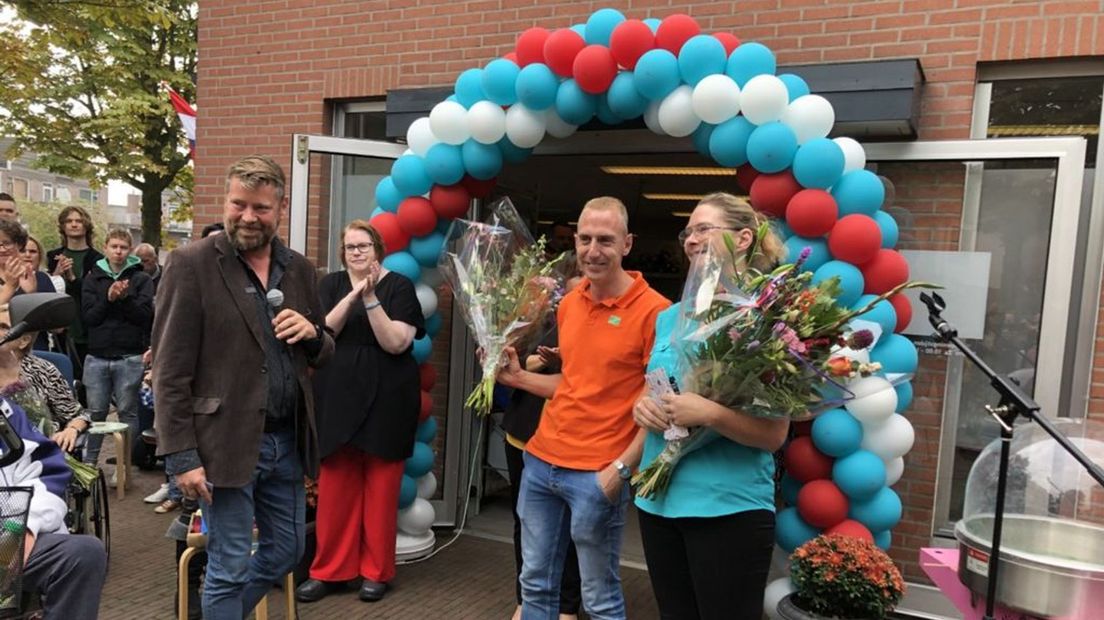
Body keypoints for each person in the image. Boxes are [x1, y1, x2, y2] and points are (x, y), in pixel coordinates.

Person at [152, 154, 333, 620]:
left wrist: (313, 334)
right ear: (226, 201)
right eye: (239, 205)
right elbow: (170, 370)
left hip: (286, 443)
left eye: (261, 208)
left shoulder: (299, 270)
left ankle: (214, 613)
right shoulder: (191, 264)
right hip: (223, 446)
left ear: (281, 207)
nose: (248, 217)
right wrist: (182, 457)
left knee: (287, 551)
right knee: (229, 565)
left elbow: (323, 350)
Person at [496, 197, 669, 620]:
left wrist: (621, 471)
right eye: (586, 239)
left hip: (597, 473)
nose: (594, 250)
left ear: (627, 244)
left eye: (606, 240)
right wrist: (517, 377)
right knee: (534, 582)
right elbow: (570, 385)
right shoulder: (570, 304)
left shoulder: (656, 312)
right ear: (575, 241)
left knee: (599, 597)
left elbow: (661, 408)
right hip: (540, 462)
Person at [632, 193, 789, 620]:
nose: (690, 238)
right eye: (688, 231)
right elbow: (654, 388)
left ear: (742, 239)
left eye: (704, 229)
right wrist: (642, 409)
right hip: (657, 502)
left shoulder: (765, 319)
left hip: (727, 508)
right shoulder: (670, 316)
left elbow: (774, 435)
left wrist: (712, 414)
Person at [295, 219, 424, 604]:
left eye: (363, 246)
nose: (356, 253)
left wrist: (370, 298)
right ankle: (330, 571)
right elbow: (322, 333)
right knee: (336, 488)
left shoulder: (398, 286)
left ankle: (375, 572)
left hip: (388, 399)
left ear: (377, 249)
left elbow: (397, 343)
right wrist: (351, 296)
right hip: (336, 397)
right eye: (350, 247)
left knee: (382, 490)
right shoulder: (330, 285)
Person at [80, 228, 154, 479]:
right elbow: (89, 318)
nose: (119, 252)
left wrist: (123, 299)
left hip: (129, 356)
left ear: (130, 249)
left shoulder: (141, 279)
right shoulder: (93, 278)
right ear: (105, 247)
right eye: (114, 246)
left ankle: (123, 467)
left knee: (127, 412)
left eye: (123, 247)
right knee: (96, 412)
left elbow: (145, 317)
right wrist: (109, 298)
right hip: (97, 355)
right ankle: (90, 465)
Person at [0, 303, 90, 451]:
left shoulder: (43, 370)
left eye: (3, 327)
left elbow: (78, 415)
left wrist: (71, 430)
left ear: (24, 341)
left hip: (41, 454)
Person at [46, 206, 104, 370]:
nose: (74, 224)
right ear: (62, 226)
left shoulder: (97, 259)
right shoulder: (53, 256)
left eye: (78, 221)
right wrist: (57, 273)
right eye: (69, 221)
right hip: (60, 328)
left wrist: (71, 277)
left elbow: (93, 294)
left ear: (86, 225)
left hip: (85, 328)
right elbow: (48, 292)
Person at [21, 236, 60, 351]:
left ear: (39, 256)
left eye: (32, 251)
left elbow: (57, 326)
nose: (28, 255)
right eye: (23, 250)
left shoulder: (43, 279)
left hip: (38, 348)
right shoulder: (5, 279)